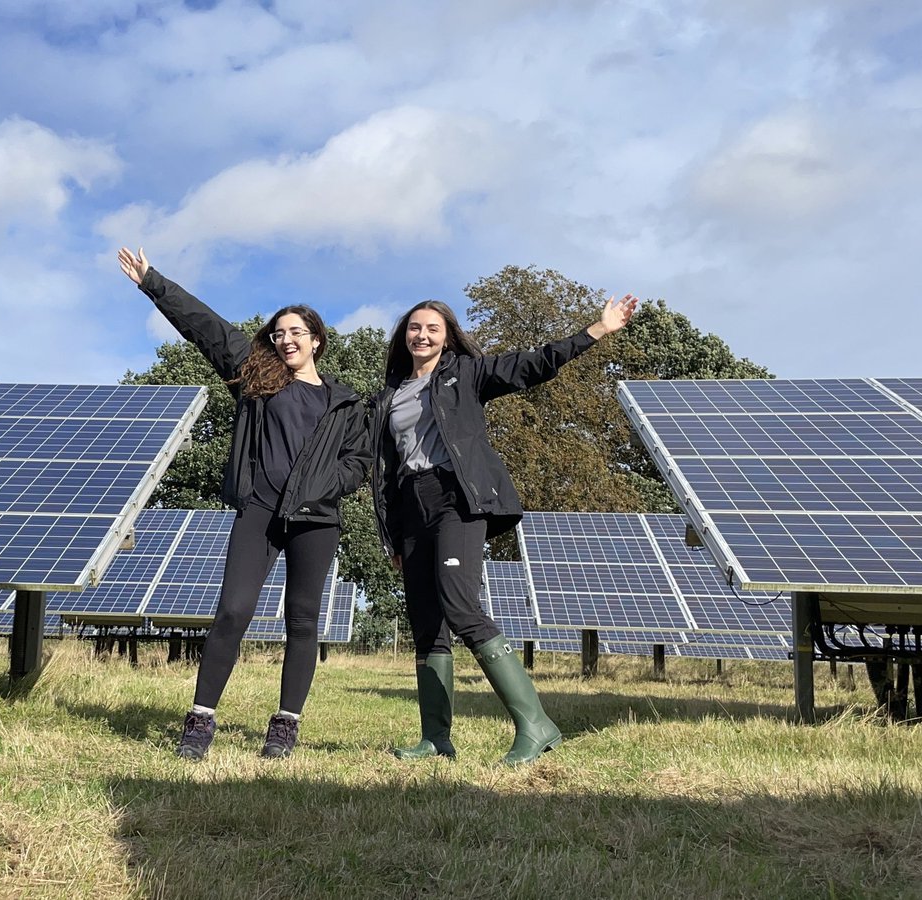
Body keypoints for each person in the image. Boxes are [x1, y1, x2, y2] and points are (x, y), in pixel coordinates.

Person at [119, 247, 371, 760]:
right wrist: (153, 282)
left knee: (302, 619)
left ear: (316, 341)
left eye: (297, 332)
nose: (286, 339)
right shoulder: (257, 376)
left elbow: (358, 462)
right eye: (279, 333)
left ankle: (285, 724)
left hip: (316, 519)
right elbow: (205, 327)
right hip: (259, 508)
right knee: (233, 610)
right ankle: (200, 719)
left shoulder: (344, 402)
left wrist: (326, 484)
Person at [371, 293, 638, 765]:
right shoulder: (390, 395)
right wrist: (391, 534)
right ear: (404, 335)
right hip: (411, 509)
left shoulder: (466, 375)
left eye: (432, 328)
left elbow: (534, 364)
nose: (422, 335)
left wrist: (597, 330)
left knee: (460, 607)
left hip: (458, 500)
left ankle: (536, 725)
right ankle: (436, 738)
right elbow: (384, 471)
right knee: (426, 622)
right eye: (414, 327)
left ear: (447, 335)